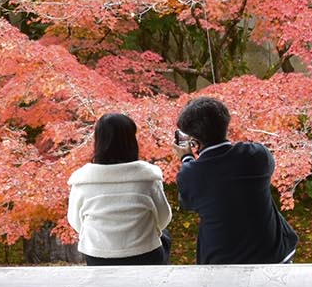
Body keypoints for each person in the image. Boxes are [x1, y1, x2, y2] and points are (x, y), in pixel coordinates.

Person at [173, 96, 299, 265]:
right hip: (275, 254)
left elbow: (188, 202)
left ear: (194, 141)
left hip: (223, 262)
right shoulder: (258, 155)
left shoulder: (191, 174)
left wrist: (187, 158)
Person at [66, 113, 172, 266]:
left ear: (98, 141)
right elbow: (164, 218)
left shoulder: (83, 180)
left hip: (98, 256)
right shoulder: (148, 178)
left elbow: (75, 221)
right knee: (164, 236)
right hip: (144, 255)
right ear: (131, 140)